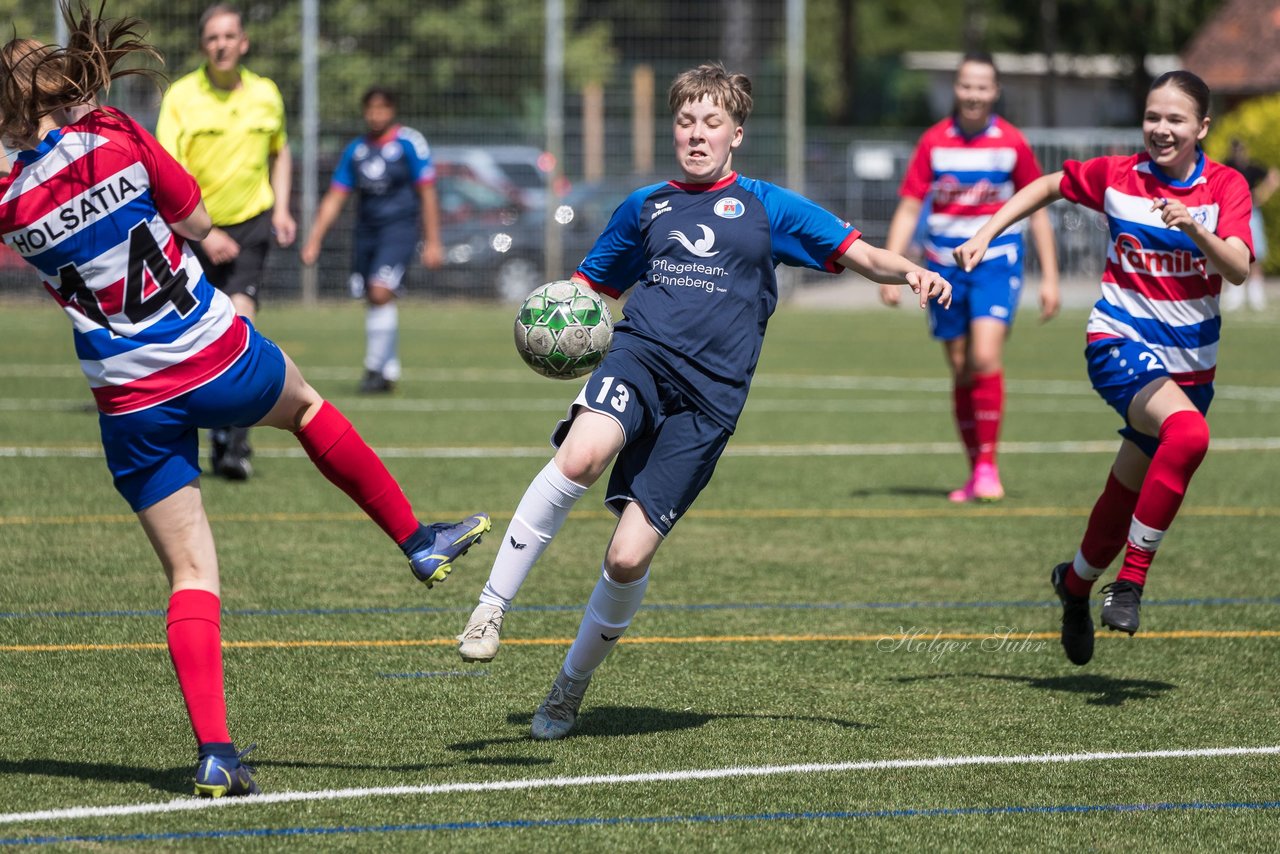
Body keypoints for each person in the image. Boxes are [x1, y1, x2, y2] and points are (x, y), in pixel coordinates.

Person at [0, 6, 490, 797]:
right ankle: (416, 539)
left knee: (193, 573)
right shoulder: (119, 136)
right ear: (68, 88)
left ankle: (217, 754)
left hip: (128, 399)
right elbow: (195, 219)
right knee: (304, 409)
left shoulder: (8, 198)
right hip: (212, 352)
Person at [453, 63, 952, 739]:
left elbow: (860, 253)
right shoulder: (645, 207)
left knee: (627, 558)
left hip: (710, 401)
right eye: (685, 121)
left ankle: (569, 686)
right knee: (582, 455)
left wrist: (914, 269)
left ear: (735, 133)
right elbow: (591, 290)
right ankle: (489, 608)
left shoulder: (767, 207)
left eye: (711, 122)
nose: (696, 134)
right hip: (641, 358)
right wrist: (562, 325)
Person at [954, 71, 1252, 666]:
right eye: (1152, 116)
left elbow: (1240, 267)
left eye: (1175, 119)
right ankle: (1132, 581)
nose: (1161, 129)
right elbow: (1048, 185)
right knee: (1189, 434)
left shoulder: (1225, 186)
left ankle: (1076, 584)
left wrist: (1195, 226)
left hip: (1191, 364)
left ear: (1202, 128)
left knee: (1124, 493)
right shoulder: (1120, 176)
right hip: (1118, 340)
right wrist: (986, 232)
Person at [880, 52, 1060, 503]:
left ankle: (987, 466)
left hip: (995, 262)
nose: (974, 94)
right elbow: (908, 206)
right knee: (961, 367)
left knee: (983, 356)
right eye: (966, 85)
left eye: (982, 86)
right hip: (941, 267)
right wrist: (890, 266)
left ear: (995, 91)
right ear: (955, 90)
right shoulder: (933, 142)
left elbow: (1037, 209)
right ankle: (973, 469)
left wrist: (1051, 277)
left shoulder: (1012, 143)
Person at [155, 4, 296, 479]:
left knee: (241, 326)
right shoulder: (181, 97)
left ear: (244, 43)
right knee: (193, 336)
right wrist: (205, 232)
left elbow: (280, 151)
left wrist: (280, 208)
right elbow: (167, 175)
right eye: (212, 37)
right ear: (203, 46)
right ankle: (202, 430)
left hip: (252, 223)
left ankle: (236, 444)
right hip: (193, 228)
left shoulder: (266, 94)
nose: (221, 44)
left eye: (229, 36)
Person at [300, 86, 444, 393]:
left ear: (392, 110)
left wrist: (433, 241)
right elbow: (336, 197)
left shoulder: (409, 143)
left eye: (382, 108)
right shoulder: (357, 149)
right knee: (373, 296)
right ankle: (388, 369)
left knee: (380, 291)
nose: (376, 114)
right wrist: (314, 239)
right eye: (370, 108)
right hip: (366, 232)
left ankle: (374, 370)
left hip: (400, 229)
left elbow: (428, 192)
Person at [1222, 138, 1277, 311]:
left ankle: (1256, 294)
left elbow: (1273, 176)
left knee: (1256, 255)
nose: (1239, 154)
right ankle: (1235, 293)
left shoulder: (1253, 167)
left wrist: (1262, 195)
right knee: (1230, 252)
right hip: (1231, 213)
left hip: (1252, 214)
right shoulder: (1228, 165)